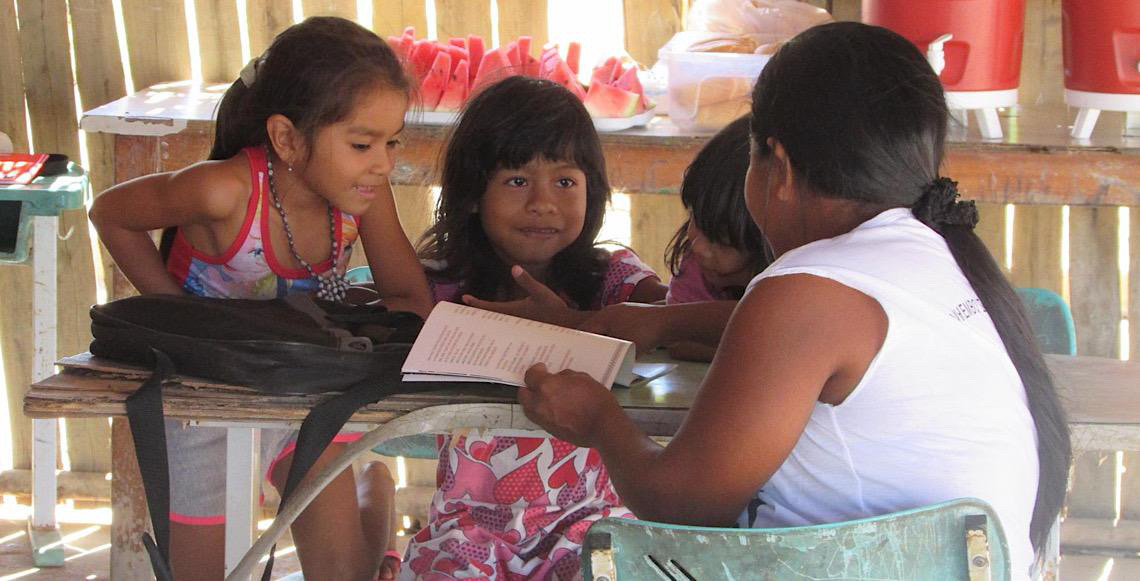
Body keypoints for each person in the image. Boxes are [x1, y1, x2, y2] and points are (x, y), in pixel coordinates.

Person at [515, 22, 1071, 581]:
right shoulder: (935, 255)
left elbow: (682, 501)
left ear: (776, 165)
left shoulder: (808, 290)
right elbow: (810, 342)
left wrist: (599, 421)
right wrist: (649, 324)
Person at [89, 16, 428, 580]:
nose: (384, 163)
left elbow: (406, 294)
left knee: (346, 575)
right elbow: (110, 214)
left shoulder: (361, 193)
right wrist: (180, 314)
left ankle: (372, 481)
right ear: (288, 138)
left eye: (390, 142)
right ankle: (365, 474)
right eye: (363, 143)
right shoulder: (221, 189)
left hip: (306, 388)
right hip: (202, 395)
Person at [402, 76, 664, 579]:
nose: (543, 202)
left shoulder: (613, 279)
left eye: (565, 182)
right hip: (469, 531)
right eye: (517, 181)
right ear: (473, 194)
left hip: (596, 527)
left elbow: (674, 316)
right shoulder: (441, 286)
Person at [577, 115, 771, 361]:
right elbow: (681, 343)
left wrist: (671, 323)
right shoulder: (696, 267)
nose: (697, 244)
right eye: (694, 217)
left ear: (763, 236)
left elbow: (779, 324)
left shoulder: (797, 279)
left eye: (719, 236)